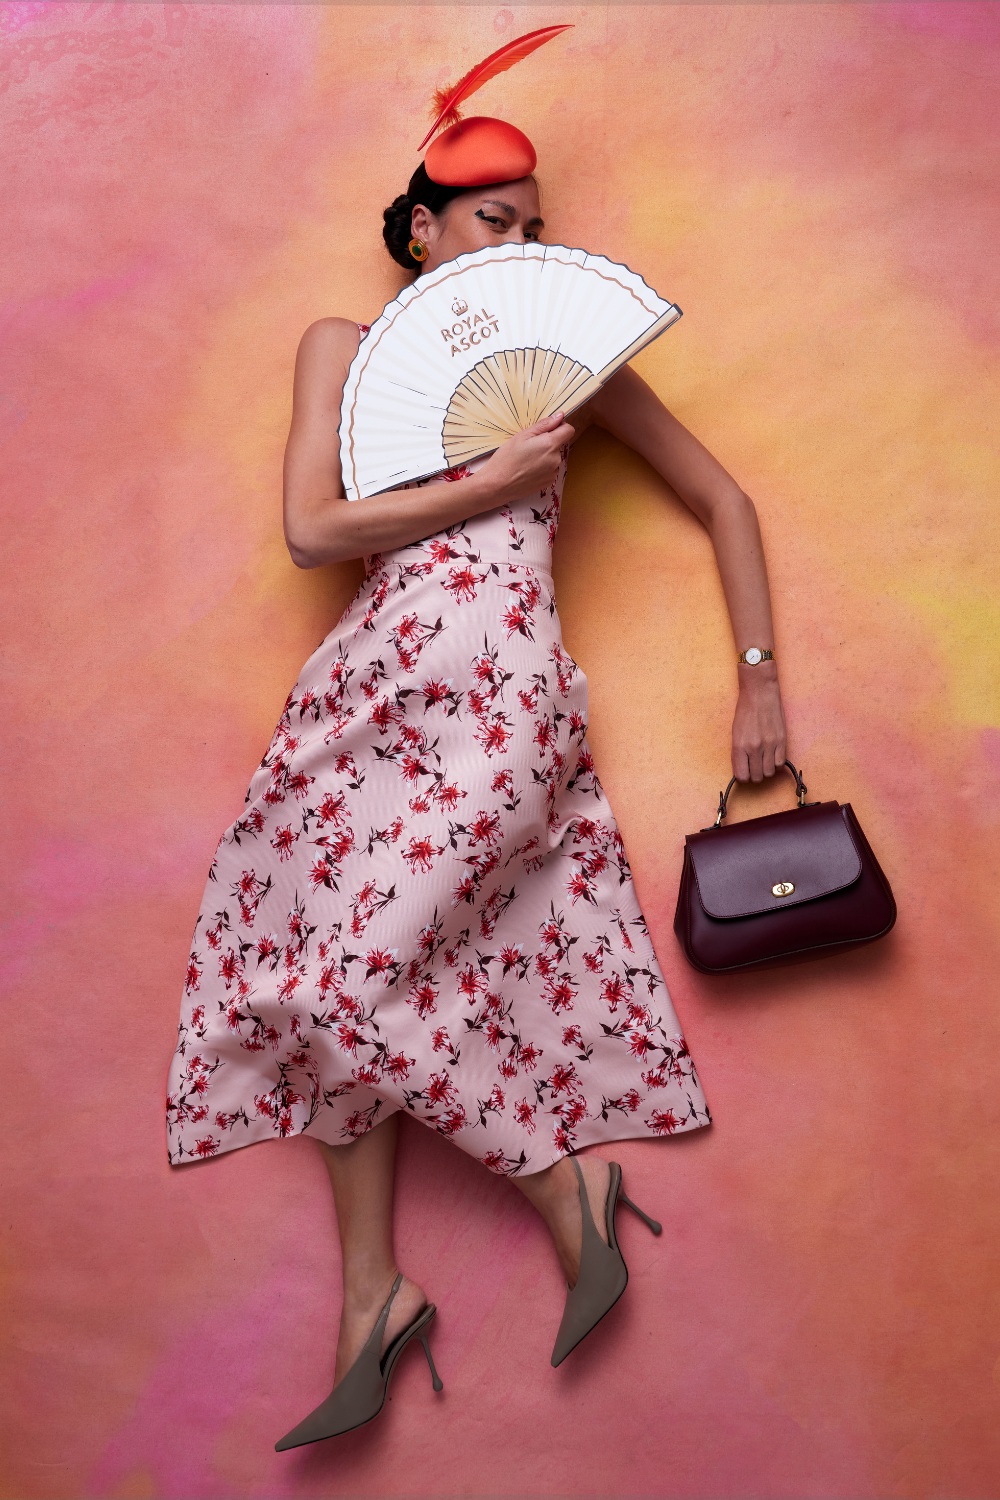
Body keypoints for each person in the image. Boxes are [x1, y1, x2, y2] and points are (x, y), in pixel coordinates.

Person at [164, 33, 788, 1451]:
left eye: (534, 228)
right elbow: (311, 532)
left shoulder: (562, 366)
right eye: (495, 221)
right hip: (362, 691)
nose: (519, 246)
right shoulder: (343, 346)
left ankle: (566, 1187)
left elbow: (728, 502)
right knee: (327, 958)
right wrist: (488, 479)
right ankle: (370, 1295)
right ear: (423, 229)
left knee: (349, 981)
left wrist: (760, 679)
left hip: (502, 691)